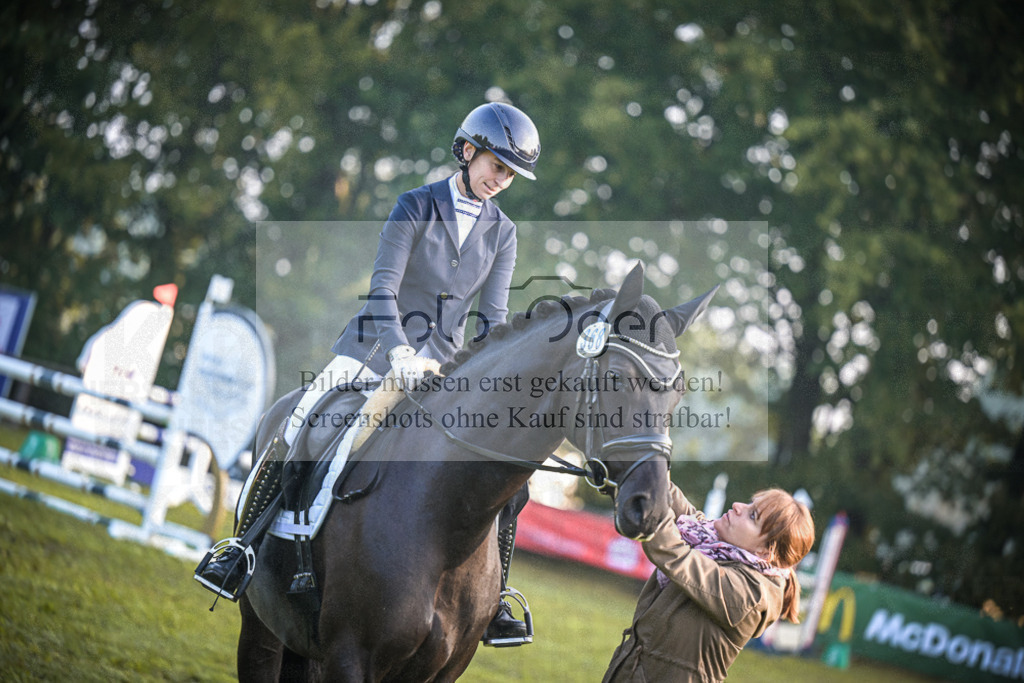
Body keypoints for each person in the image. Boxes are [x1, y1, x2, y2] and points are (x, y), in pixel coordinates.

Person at [196, 102, 541, 646]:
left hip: (444, 368)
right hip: (375, 347)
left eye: (510, 174)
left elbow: (492, 320)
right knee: (303, 421)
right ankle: (243, 549)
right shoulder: (415, 204)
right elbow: (382, 289)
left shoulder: (503, 233)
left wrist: (484, 377)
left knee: (511, 475)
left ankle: (496, 602)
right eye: (497, 165)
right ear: (468, 149)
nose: (501, 180)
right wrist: (401, 351)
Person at [603, 481, 815, 682]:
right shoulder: (709, 540)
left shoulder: (751, 594)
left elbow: (675, 555)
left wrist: (642, 504)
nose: (738, 506)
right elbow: (671, 498)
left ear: (765, 551)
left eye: (752, 515)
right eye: (750, 503)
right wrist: (640, 465)